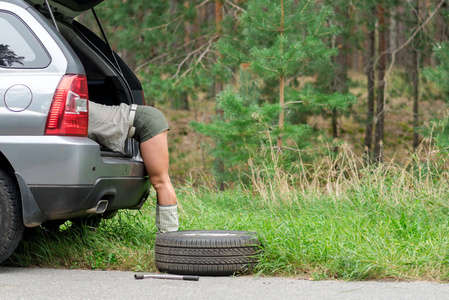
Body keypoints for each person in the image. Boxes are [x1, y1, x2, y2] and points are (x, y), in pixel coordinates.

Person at [88, 101, 178, 234]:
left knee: (160, 181)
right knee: (161, 181)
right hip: (143, 118)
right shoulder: (76, 104)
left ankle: (170, 236)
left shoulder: (72, 107)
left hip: (147, 121)